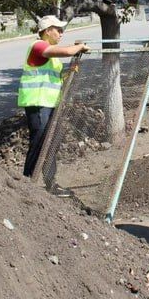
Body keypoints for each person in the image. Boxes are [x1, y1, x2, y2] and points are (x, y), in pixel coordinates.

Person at [18, 15, 89, 177]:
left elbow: (52, 79)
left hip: (48, 104)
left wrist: (68, 74)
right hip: (37, 103)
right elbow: (66, 51)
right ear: (48, 31)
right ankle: (26, 181)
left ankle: (50, 183)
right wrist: (80, 47)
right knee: (39, 141)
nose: (61, 33)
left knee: (49, 143)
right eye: (58, 30)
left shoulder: (51, 56)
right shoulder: (38, 46)